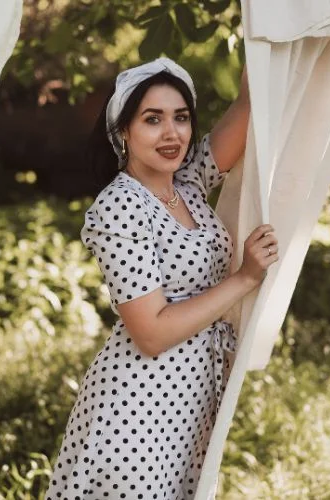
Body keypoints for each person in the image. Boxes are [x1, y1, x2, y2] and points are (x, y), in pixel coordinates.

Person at [46, 57, 278, 499]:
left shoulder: (185, 186)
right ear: (123, 131)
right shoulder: (120, 205)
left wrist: (264, 44)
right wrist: (244, 278)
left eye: (181, 117)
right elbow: (150, 333)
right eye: (152, 120)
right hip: (139, 410)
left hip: (189, 406)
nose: (171, 133)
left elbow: (248, 108)